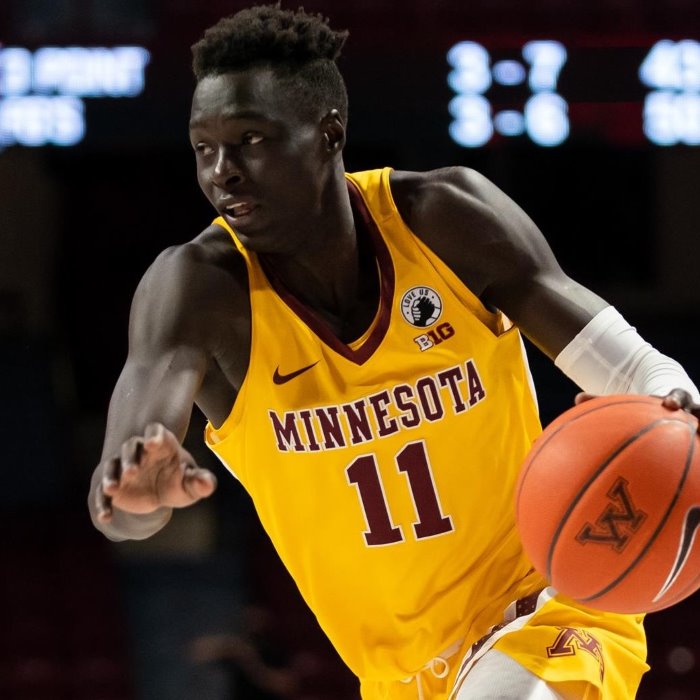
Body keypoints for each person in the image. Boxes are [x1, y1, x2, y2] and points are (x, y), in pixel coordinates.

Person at [88, 4, 699, 699]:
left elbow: (634, 367)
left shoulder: (446, 219)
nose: (222, 172)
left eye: (250, 140)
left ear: (328, 134)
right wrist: (138, 500)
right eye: (204, 148)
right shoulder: (197, 290)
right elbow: (121, 494)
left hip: (548, 609)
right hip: (394, 677)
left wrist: (676, 409)